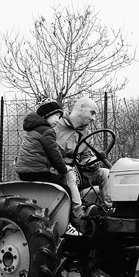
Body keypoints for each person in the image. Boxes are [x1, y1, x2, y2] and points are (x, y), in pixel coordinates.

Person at [15, 98, 82, 235]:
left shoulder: (35, 129)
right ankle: (69, 225)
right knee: (65, 191)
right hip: (35, 170)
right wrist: (64, 169)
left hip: (26, 170)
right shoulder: (47, 130)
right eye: (56, 115)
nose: (58, 119)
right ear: (47, 115)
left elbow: (53, 149)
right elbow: (54, 155)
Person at [54, 97, 112, 218]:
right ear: (81, 107)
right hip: (57, 172)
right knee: (69, 173)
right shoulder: (56, 125)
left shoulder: (86, 133)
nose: (94, 118)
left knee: (105, 173)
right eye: (92, 113)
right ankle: (79, 216)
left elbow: (86, 157)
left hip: (78, 172)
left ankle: (109, 210)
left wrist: (91, 162)